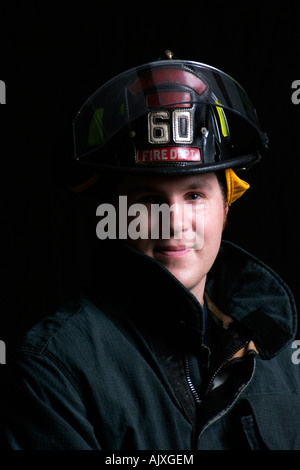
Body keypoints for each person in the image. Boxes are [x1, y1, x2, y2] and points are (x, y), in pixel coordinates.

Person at [0, 52, 299, 450]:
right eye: (148, 200)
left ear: (225, 209)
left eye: (194, 195)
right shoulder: (54, 369)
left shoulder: (278, 352)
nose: (173, 222)